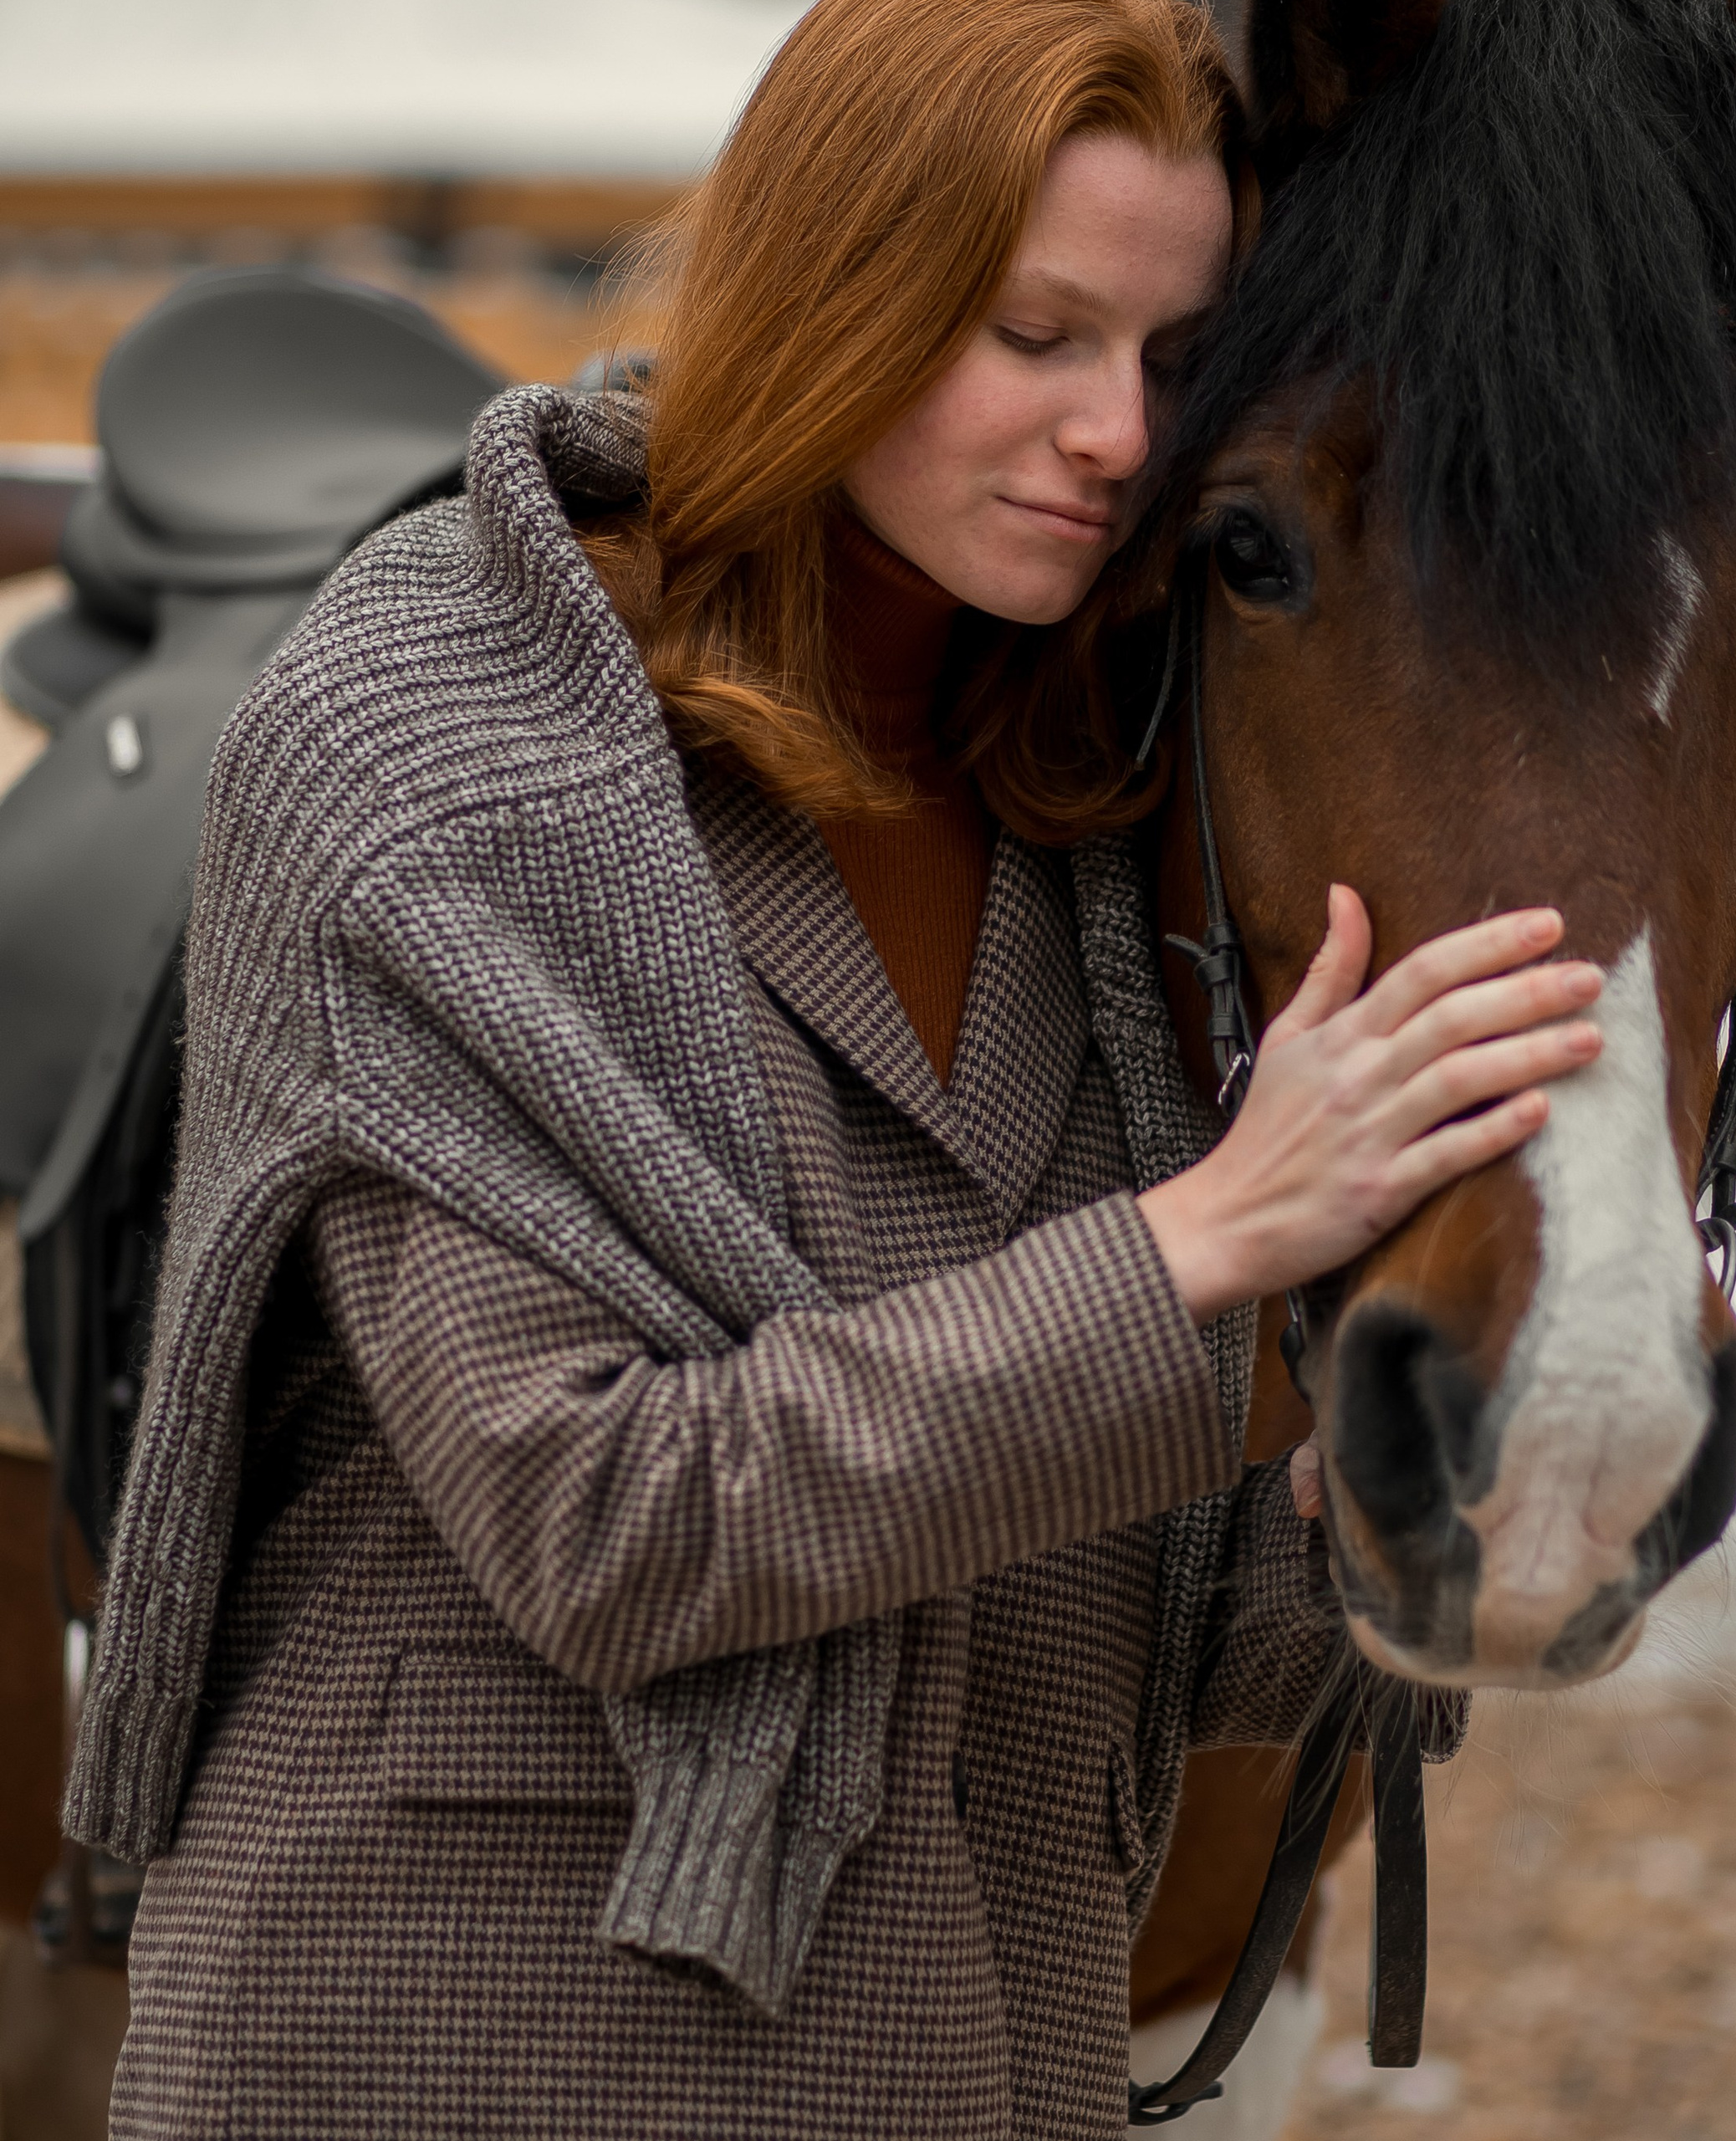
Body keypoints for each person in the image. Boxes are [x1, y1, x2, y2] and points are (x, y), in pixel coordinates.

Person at [65, 1, 1604, 2134]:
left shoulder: (1090, 797)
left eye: (1173, 361)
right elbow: (606, 1514)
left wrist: (1393, 1485)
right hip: (456, 2043)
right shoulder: (441, 735)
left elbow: (1124, 1625)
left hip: (967, 2058)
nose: (1113, 432)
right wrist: (1208, 1237)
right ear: (843, 286)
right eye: (1035, 333)